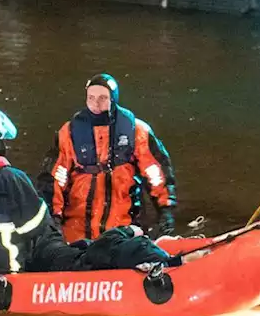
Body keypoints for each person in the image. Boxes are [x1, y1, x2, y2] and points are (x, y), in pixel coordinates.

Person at [0, 105, 175, 277]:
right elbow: (39, 231)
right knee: (80, 254)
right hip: (14, 274)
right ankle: (130, 240)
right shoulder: (11, 179)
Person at [38, 74, 178, 243]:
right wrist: (54, 218)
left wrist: (165, 210)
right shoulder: (68, 133)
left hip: (124, 226)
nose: (96, 104)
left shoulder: (136, 131)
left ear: (113, 99)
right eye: (91, 98)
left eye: (102, 98)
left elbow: (155, 172)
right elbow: (54, 179)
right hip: (76, 229)